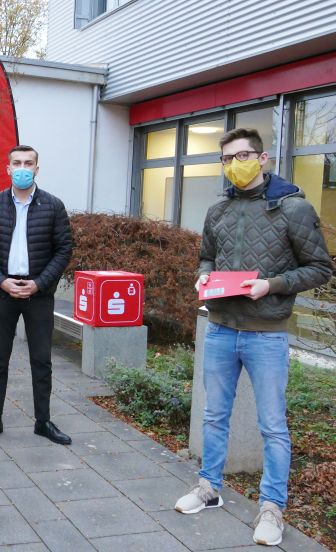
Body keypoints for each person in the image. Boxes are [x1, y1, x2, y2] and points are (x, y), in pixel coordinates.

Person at [174, 128, 332, 546]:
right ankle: (209, 488)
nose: (234, 165)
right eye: (227, 159)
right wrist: (202, 276)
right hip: (221, 327)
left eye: (242, 155)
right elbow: (206, 255)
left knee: (272, 426)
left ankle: (271, 507)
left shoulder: (293, 208)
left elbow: (320, 267)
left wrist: (273, 284)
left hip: (267, 334)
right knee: (213, 415)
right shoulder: (218, 209)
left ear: (262, 159)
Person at [0, 145, 73, 446]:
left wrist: (40, 283)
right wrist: (1, 281)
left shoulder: (53, 206)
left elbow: (64, 249)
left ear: (37, 169)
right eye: (16, 162)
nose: (22, 167)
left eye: (28, 163)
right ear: (7, 168)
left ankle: (43, 422)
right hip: (3, 293)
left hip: (38, 294)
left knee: (41, 360)